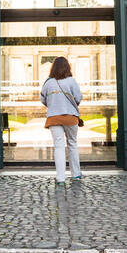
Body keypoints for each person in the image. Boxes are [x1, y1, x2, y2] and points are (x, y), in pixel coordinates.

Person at [40, 56, 83, 185]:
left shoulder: (48, 83)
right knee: (72, 144)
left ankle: (60, 178)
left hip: (54, 118)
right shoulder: (71, 81)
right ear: (67, 67)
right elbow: (78, 98)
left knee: (58, 147)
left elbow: (43, 99)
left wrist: (54, 104)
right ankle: (75, 174)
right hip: (70, 117)